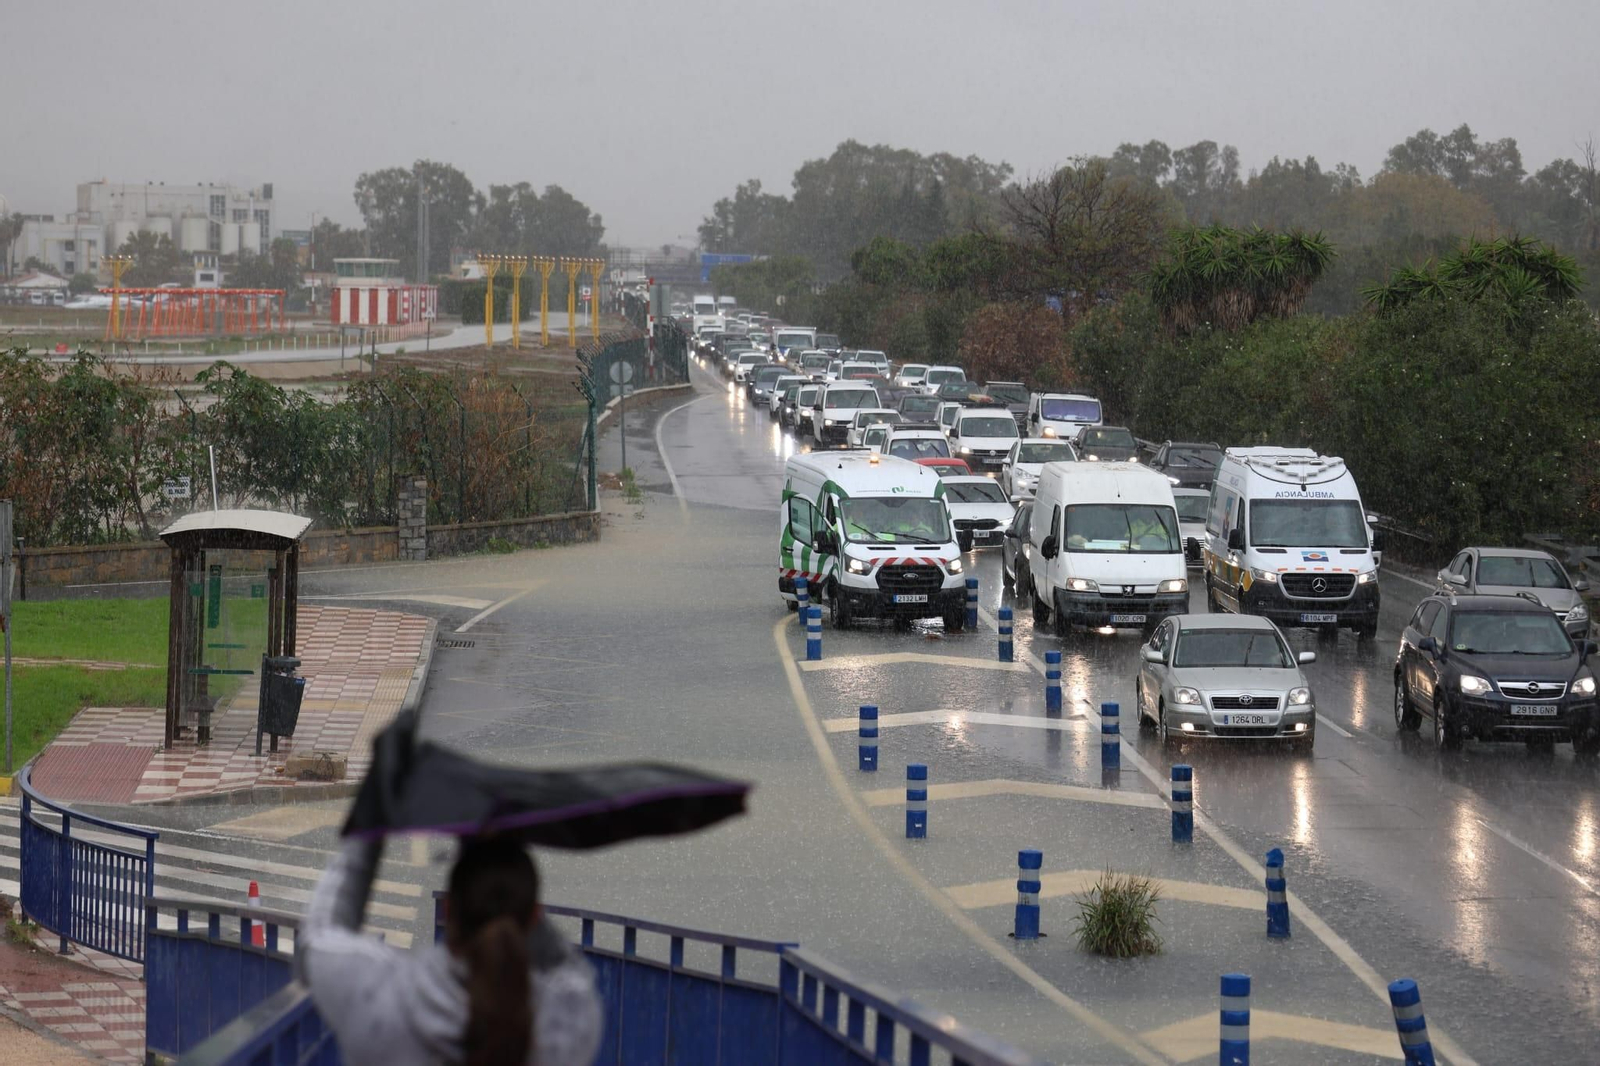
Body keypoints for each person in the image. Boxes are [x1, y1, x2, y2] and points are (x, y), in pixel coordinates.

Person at [300, 834, 602, 1065]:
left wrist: (368, 831)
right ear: (535, 916)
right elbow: (568, 969)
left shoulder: (381, 1000)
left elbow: (318, 936)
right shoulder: (565, 1026)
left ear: (447, 909)